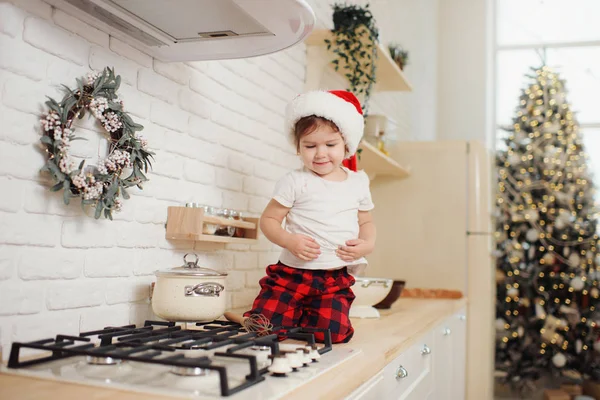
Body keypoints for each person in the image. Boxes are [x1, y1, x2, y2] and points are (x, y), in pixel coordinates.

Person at [238, 90, 376, 343]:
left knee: (334, 335)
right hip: (292, 274)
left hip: (333, 277)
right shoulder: (294, 181)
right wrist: (289, 241)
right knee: (264, 330)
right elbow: (268, 220)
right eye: (310, 146)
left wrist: (367, 244)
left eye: (330, 145)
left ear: (346, 145)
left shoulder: (357, 183)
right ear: (298, 148)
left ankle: (302, 317)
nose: (320, 154)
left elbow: (365, 222)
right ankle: (284, 315)